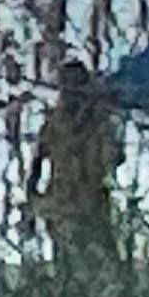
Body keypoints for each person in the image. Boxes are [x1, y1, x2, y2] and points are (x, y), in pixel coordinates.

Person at [29, 55, 123, 263]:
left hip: (87, 200)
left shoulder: (98, 120)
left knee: (96, 259)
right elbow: (38, 157)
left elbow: (114, 157)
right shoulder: (57, 120)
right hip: (64, 199)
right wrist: (32, 195)